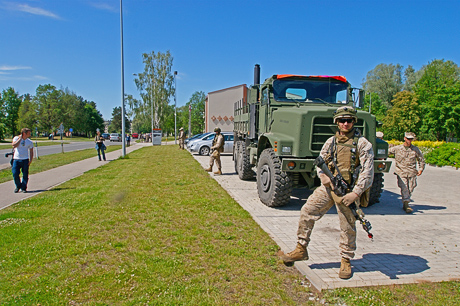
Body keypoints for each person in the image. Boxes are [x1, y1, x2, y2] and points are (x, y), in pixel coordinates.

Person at [277, 106, 374, 279]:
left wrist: (356, 193)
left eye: (349, 120)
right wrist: (323, 176)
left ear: (354, 122)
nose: (345, 124)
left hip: (348, 191)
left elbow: (368, 172)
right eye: (342, 120)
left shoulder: (363, 144)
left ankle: (346, 260)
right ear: (336, 122)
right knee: (307, 211)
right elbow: (320, 160)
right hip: (329, 187)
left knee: (347, 226)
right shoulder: (331, 142)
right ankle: (301, 248)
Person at [388, 132, 425, 213]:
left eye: (411, 139)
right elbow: (386, 152)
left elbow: (421, 159)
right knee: (404, 188)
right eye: (408, 139)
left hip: (411, 172)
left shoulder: (415, 149)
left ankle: (406, 200)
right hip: (401, 172)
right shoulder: (397, 148)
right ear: (404, 138)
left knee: (411, 187)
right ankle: (406, 204)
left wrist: (421, 169)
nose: (409, 140)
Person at [11, 128, 34, 193]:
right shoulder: (16, 138)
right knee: (15, 173)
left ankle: (24, 187)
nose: (30, 134)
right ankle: (18, 186)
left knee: (25, 174)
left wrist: (30, 160)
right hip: (16, 159)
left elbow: (31, 151)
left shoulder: (29, 142)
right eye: (28, 133)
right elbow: (14, 145)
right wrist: (20, 139)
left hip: (25, 160)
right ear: (24, 133)